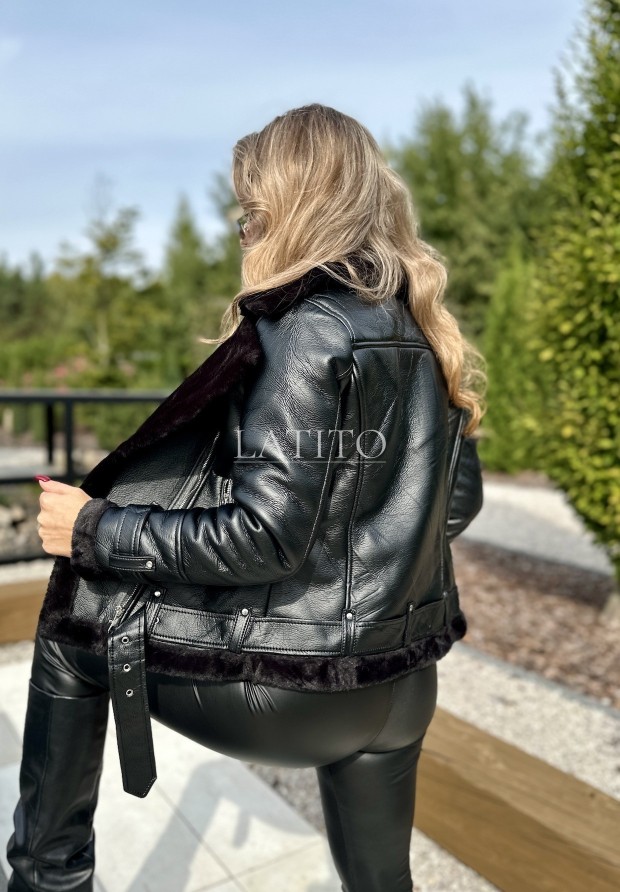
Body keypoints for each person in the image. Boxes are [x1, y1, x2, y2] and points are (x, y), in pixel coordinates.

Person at [6, 103, 485, 892]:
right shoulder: (420, 325)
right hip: (402, 686)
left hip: (303, 692)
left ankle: (44, 880)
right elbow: (453, 505)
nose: (244, 230)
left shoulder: (303, 326)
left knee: (74, 626)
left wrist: (95, 529)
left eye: (251, 211)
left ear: (289, 206)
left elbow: (264, 539)